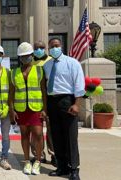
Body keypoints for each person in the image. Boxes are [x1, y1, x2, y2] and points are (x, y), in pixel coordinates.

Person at [44, 38, 84, 180]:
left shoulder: (72, 63)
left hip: (67, 101)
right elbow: (46, 85)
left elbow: (79, 84)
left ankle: (74, 169)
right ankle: (62, 167)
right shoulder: (47, 65)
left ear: (61, 46)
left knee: (70, 137)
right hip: (52, 102)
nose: (54, 48)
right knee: (56, 136)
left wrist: (77, 104)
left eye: (56, 45)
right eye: (51, 46)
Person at [9, 42, 47, 175]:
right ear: (19, 57)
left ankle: (37, 161)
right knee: (24, 135)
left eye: (27, 55)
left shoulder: (39, 70)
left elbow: (43, 91)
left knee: (38, 134)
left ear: (31, 56)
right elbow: (11, 94)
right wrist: (12, 110)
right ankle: (26, 161)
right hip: (21, 109)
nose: (25, 58)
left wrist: (45, 109)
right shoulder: (13, 73)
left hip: (36, 108)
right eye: (22, 56)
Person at [31, 40, 56, 166]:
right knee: (35, 130)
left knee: (51, 130)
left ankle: (54, 154)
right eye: (36, 47)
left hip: (50, 99)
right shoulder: (31, 62)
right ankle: (38, 154)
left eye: (41, 47)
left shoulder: (51, 61)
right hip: (35, 100)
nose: (39, 50)